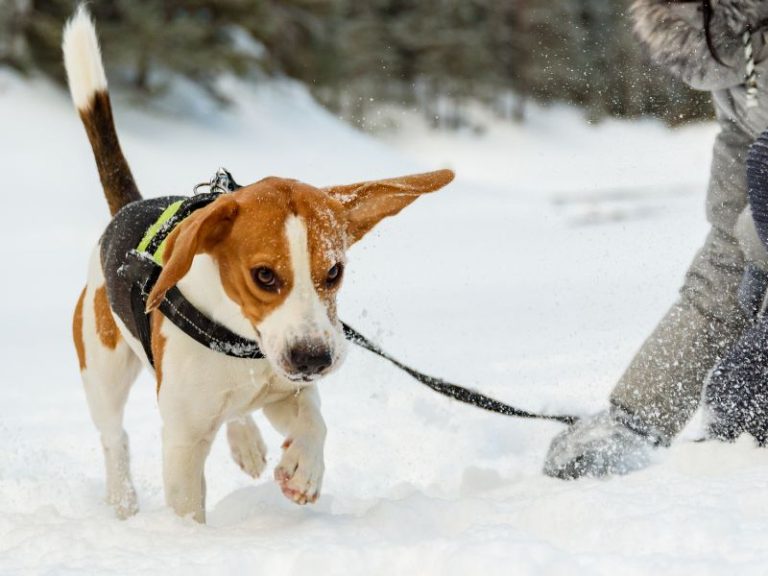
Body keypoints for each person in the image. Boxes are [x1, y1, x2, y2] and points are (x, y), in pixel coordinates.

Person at [544, 0, 768, 479]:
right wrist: (638, 417)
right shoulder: (738, 83)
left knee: (744, 400)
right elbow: (727, 256)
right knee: (739, 406)